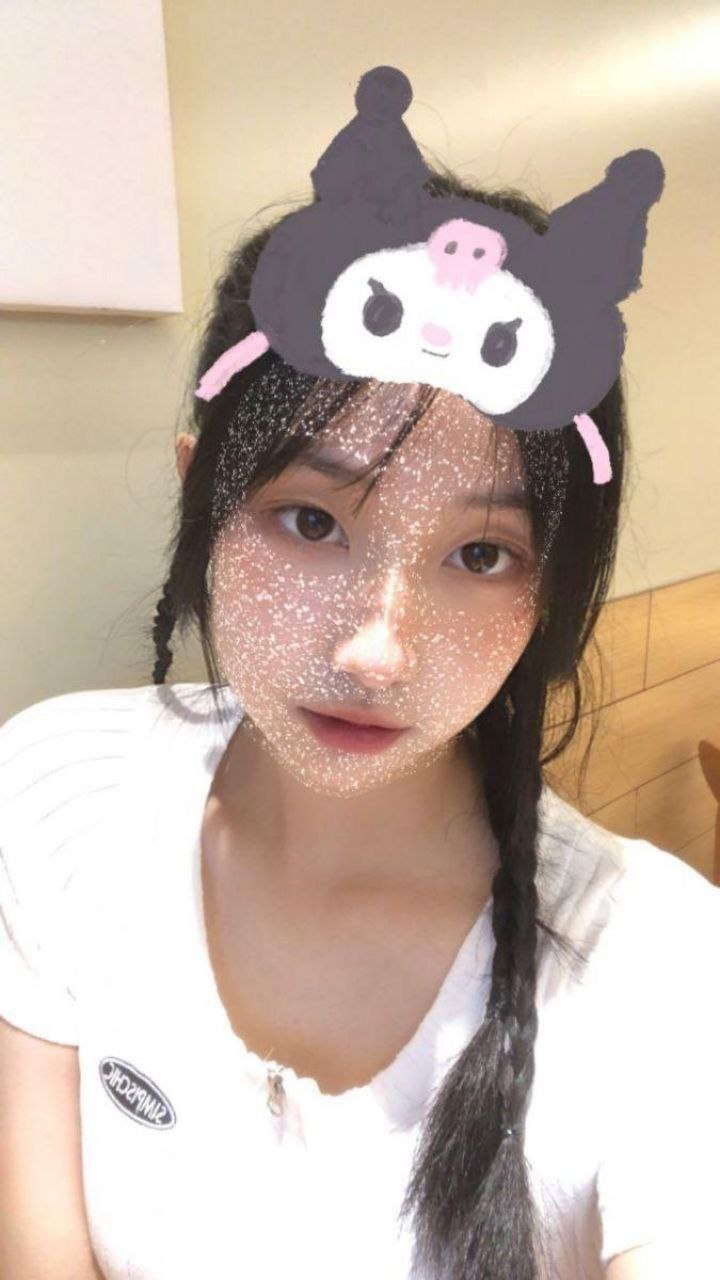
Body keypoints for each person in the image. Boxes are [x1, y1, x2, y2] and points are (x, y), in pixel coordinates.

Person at [2, 79, 719, 1280]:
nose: (376, 650)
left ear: (548, 590)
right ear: (201, 494)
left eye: (481, 554)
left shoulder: (656, 961)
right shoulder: (56, 794)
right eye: (310, 520)